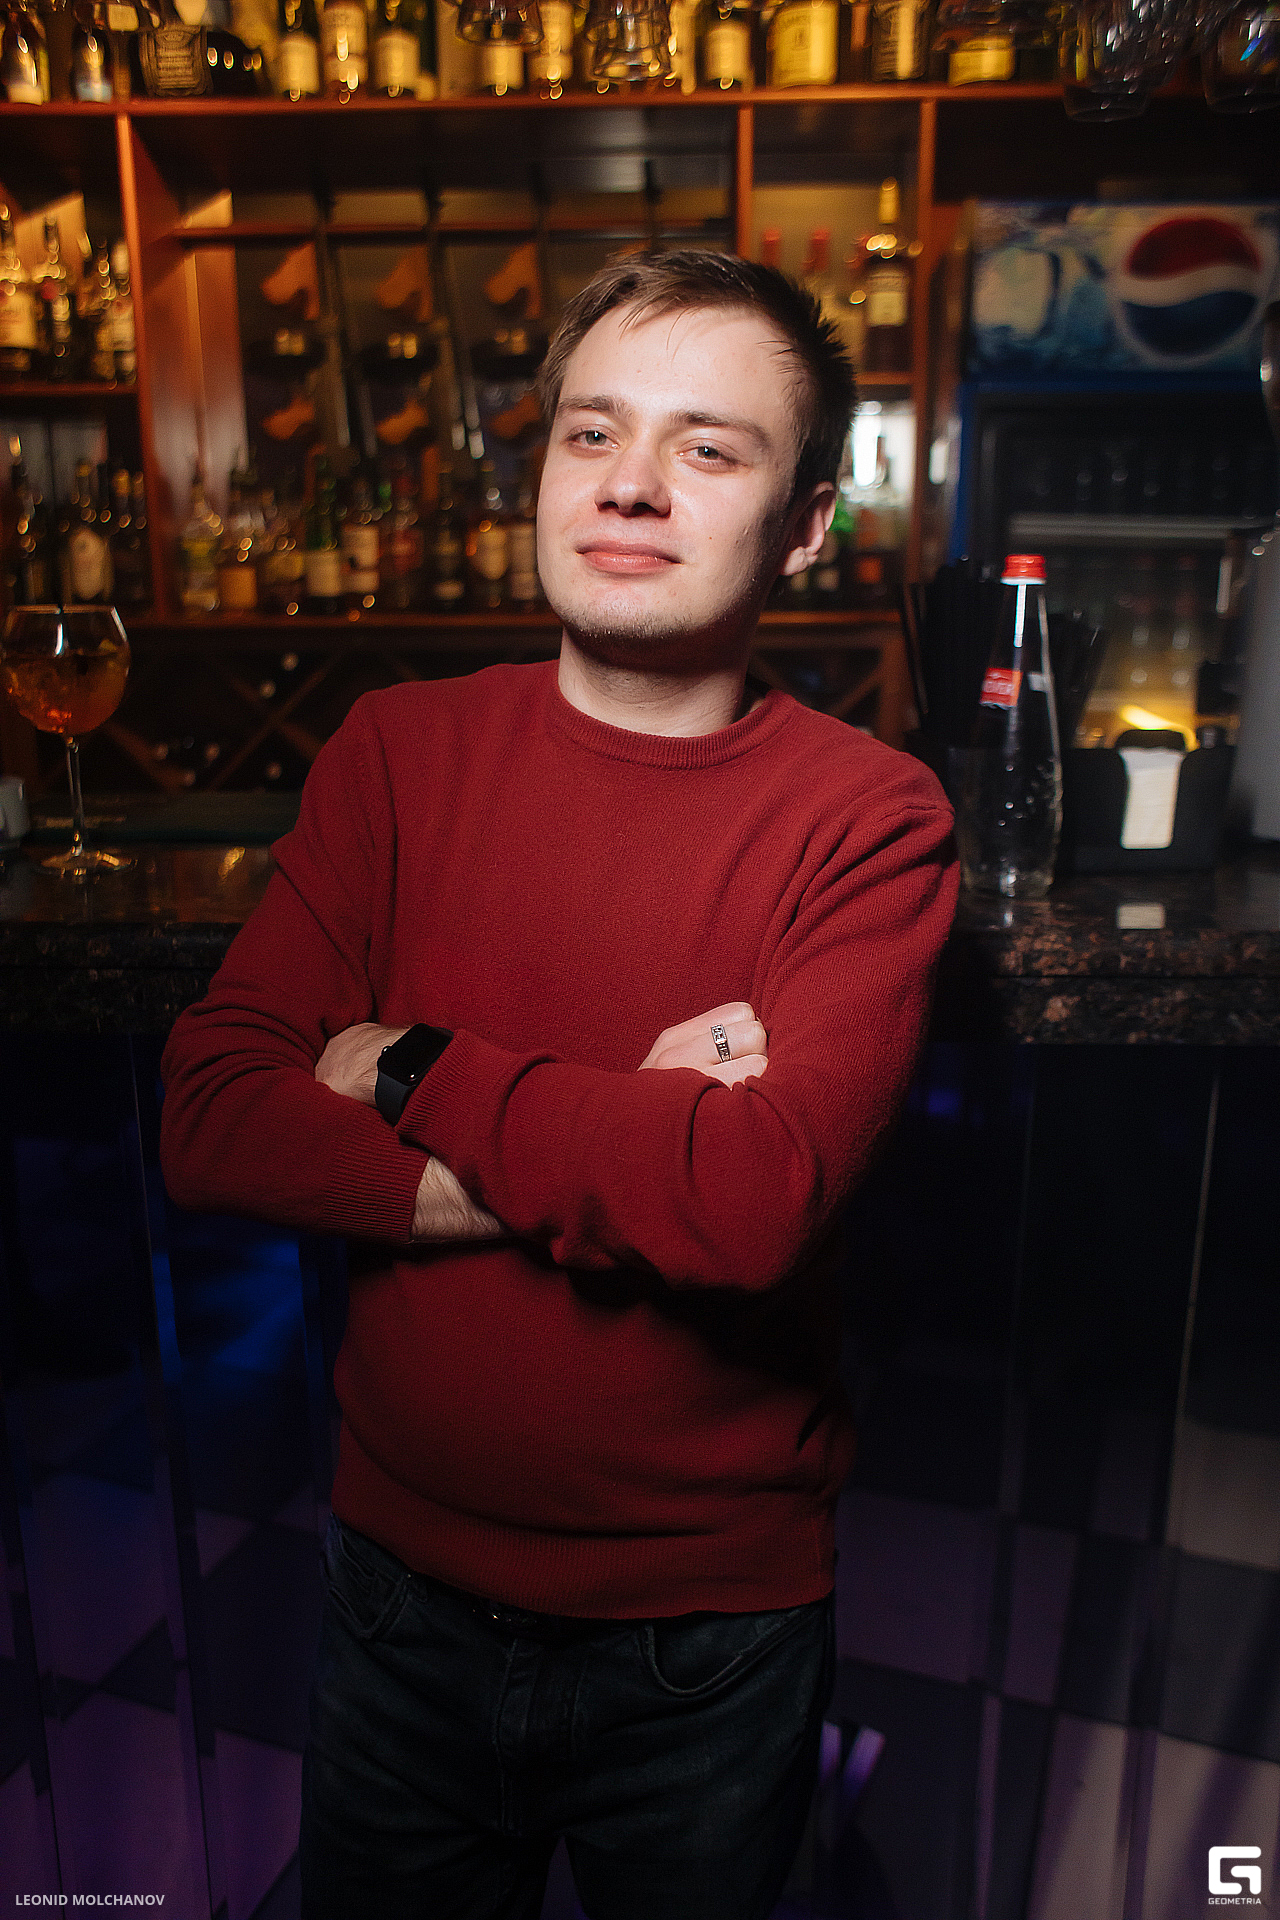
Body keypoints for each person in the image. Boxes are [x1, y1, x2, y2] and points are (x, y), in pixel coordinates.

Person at [159, 249, 958, 1920]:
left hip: (707, 1638)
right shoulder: (397, 755)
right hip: (394, 1595)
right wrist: (628, 1138)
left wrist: (414, 1062)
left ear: (806, 525)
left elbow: (746, 1204)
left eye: (708, 448)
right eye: (593, 432)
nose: (632, 484)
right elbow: (215, 1118)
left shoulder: (870, 820)